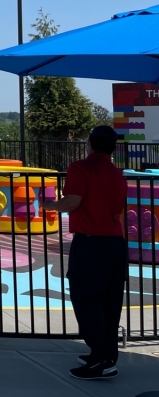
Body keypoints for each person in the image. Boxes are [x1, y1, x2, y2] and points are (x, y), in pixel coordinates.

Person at [41, 125, 127, 380]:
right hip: (114, 242)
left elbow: (72, 202)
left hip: (91, 242)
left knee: (86, 299)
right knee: (109, 301)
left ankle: (100, 359)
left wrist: (50, 205)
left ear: (89, 143)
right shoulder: (116, 173)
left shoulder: (81, 168)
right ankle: (107, 353)